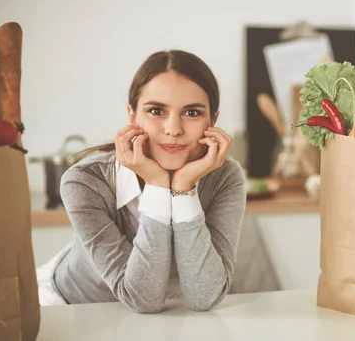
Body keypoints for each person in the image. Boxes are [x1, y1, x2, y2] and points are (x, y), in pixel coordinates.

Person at [36, 49, 247, 313]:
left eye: (192, 113)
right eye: (156, 110)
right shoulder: (85, 181)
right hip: (70, 308)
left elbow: (205, 296)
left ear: (212, 120)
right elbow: (141, 299)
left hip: (158, 319)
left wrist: (183, 189)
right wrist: (158, 186)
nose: (173, 129)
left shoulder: (225, 177)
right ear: (133, 115)